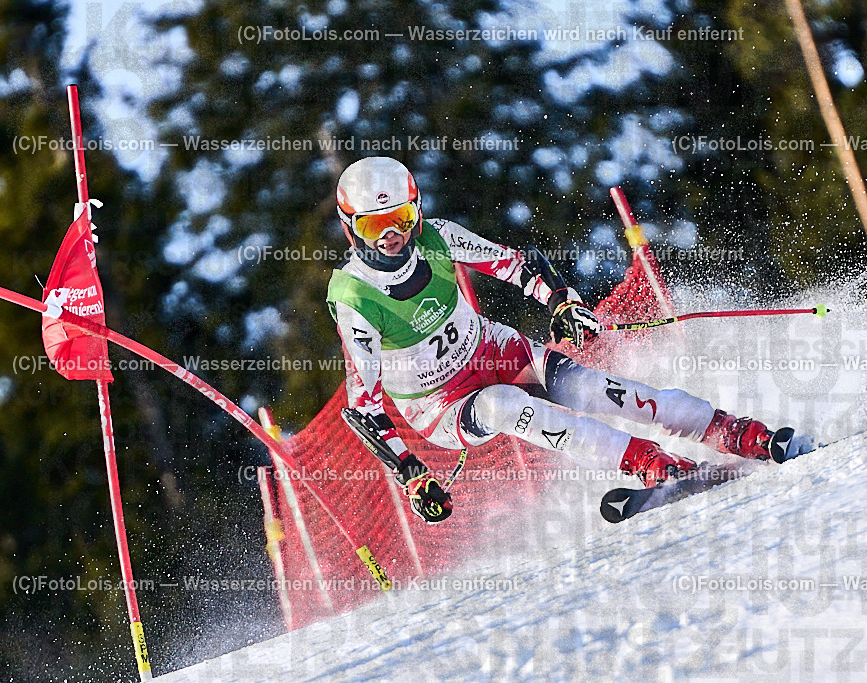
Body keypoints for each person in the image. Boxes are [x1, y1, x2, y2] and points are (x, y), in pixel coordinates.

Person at [328, 157, 812, 523]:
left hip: (493, 351)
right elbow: (363, 407)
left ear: (417, 210)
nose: (390, 236)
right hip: (441, 404)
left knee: (594, 389)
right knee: (501, 405)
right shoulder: (355, 298)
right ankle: (649, 462)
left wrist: (560, 303)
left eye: (401, 218)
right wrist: (411, 473)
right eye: (373, 225)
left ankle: (736, 432)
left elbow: (515, 265)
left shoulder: (438, 237)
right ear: (351, 229)